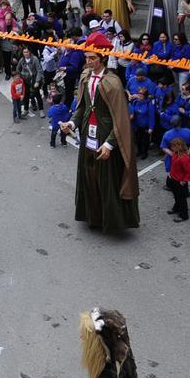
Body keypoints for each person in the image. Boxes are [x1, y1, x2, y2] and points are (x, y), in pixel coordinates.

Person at [60, 33, 141, 231]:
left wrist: (109, 144)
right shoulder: (85, 77)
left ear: (103, 58)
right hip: (87, 134)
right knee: (89, 177)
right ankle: (93, 217)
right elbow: (82, 107)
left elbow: (120, 118)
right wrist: (71, 123)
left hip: (105, 136)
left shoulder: (113, 82)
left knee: (107, 180)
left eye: (92, 58)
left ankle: (111, 220)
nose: (88, 61)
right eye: (86, 57)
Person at [166, 137, 190, 222]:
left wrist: (184, 180)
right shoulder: (175, 153)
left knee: (181, 199)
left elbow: (189, 171)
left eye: (173, 146)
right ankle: (176, 208)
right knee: (176, 196)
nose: (171, 148)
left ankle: (184, 215)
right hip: (174, 179)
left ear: (179, 146)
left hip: (180, 182)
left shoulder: (184, 158)